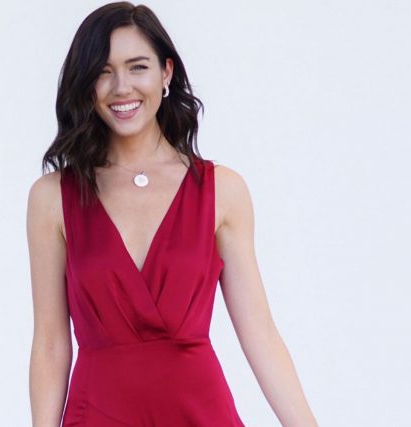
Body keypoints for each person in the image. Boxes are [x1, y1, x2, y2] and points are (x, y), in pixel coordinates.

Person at [27, 2, 318, 426]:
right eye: (103, 72)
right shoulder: (52, 198)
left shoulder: (221, 191)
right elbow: (50, 345)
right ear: (86, 84)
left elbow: (261, 334)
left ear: (166, 73)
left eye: (137, 67)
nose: (121, 87)